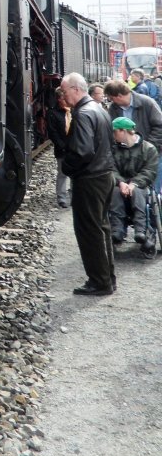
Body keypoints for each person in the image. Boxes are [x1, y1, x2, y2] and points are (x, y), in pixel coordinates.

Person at [59, 71, 116, 296]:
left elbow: (82, 151)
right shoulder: (99, 110)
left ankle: (99, 282)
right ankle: (107, 278)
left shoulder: (83, 113)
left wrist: (67, 168)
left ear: (75, 89)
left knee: (89, 232)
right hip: (104, 176)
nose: (63, 96)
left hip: (89, 179)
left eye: (64, 91)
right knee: (102, 229)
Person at [108, 116, 159, 249]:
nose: (113, 135)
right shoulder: (113, 150)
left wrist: (134, 183)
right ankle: (117, 230)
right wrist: (121, 183)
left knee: (137, 192)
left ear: (124, 131)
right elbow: (110, 168)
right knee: (114, 191)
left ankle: (140, 230)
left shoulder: (149, 149)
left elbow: (149, 171)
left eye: (115, 132)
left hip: (140, 186)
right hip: (120, 185)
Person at [104, 80, 162, 153]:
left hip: (150, 153)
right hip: (126, 153)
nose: (112, 101)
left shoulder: (147, 103)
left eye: (112, 98)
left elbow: (159, 126)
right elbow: (113, 129)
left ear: (119, 96)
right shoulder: (113, 108)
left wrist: (149, 147)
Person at [46, 87, 72, 208]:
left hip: (75, 148)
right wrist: (62, 146)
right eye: (63, 98)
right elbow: (52, 132)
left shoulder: (74, 111)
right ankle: (61, 197)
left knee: (75, 173)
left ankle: (74, 196)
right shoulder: (53, 113)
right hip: (62, 149)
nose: (66, 101)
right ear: (58, 99)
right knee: (62, 173)